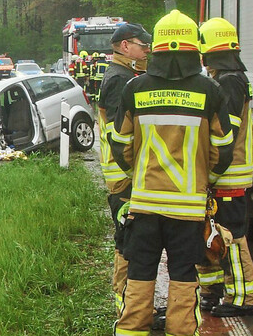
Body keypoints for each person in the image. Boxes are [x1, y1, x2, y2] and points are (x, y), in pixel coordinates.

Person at [111, 10, 235, 336]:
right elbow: (222, 150)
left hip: (144, 207)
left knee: (139, 275)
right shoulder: (211, 91)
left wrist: (137, 174)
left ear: (157, 49)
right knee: (183, 277)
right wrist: (205, 180)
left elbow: (120, 145)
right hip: (187, 210)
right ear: (195, 49)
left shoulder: (134, 88)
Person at [196, 17, 253, 317]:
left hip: (228, 174)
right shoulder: (229, 78)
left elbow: (225, 135)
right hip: (223, 174)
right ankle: (213, 291)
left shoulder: (229, 82)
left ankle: (243, 299)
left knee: (230, 236)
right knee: (211, 234)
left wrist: (210, 170)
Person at [97, 23, 152, 313]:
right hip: (123, 177)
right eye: (142, 45)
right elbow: (121, 137)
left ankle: (132, 306)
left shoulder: (126, 74)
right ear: (124, 46)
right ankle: (128, 308)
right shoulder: (120, 80)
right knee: (128, 240)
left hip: (125, 174)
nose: (147, 50)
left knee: (132, 239)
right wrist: (135, 172)